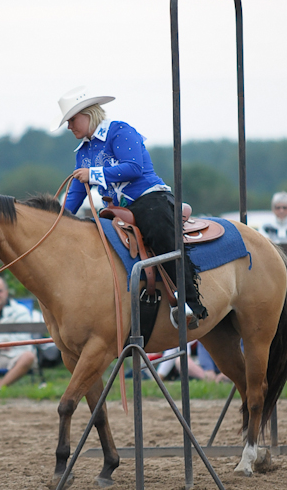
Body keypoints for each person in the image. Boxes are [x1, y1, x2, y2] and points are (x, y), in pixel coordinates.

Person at [51, 86, 207, 328]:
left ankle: (189, 302)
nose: (69, 126)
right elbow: (77, 191)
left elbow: (133, 168)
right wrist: (58, 217)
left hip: (148, 198)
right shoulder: (83, 150)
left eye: (72, 119)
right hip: (115, 209)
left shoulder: (120, 131)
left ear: (88, 113)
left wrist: (93, 173)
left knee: (159, 232)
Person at [258, 191, 287, 281]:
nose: (281, 210)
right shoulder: (265, 227)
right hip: (271, 274)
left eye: (285, 207)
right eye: (278, 207)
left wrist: (274, 244)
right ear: (273, 209)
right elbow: (264, 249)